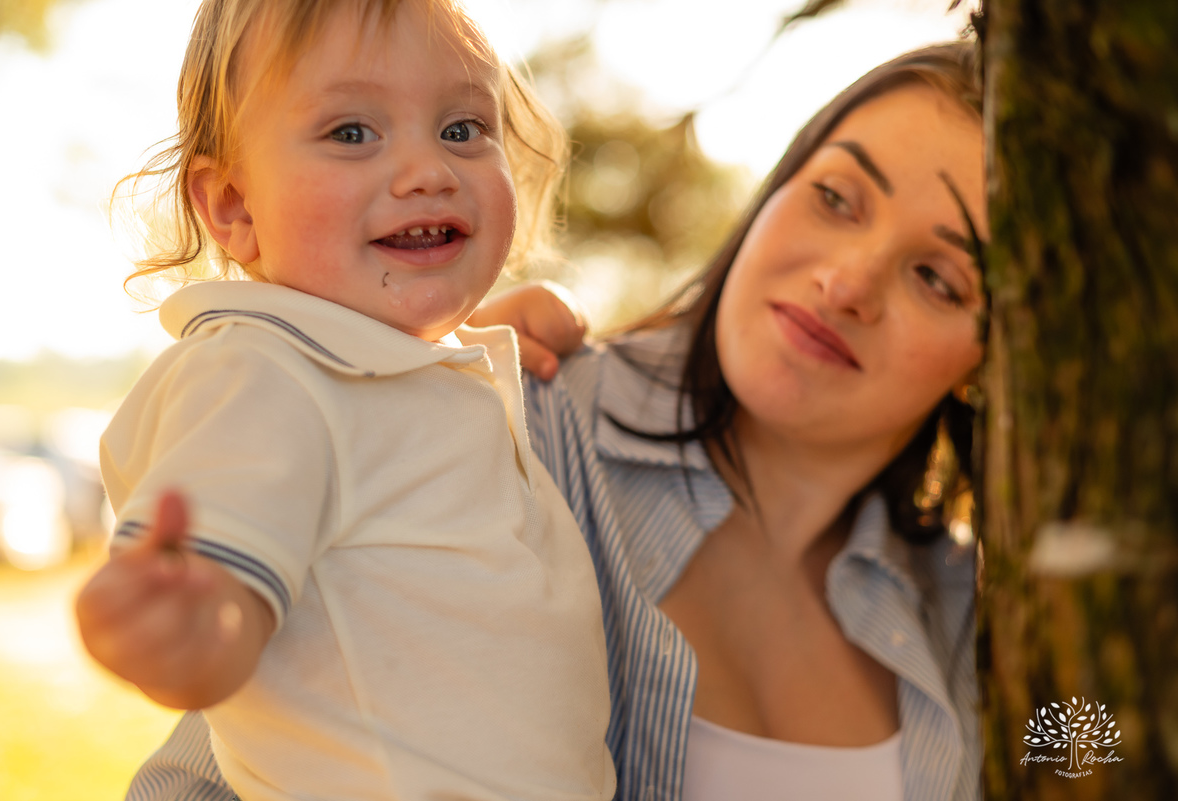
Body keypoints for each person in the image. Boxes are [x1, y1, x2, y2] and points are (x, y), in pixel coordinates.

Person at [118, 39, 986, 801]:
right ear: (774, 189)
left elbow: (1093, 752)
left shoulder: (970, 607)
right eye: (836, 197)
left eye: (938, 278)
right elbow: (200, 781)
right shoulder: (493, 427)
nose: (848, 282)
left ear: (994, 363)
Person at [74, 1, 618, 800]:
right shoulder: (263, 376)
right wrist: (183, 624)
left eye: (463, 128)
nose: (429, 170)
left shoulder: (363, 367)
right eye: (352, 133)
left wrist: (471, 331)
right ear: (234, 207)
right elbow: (222, 607)